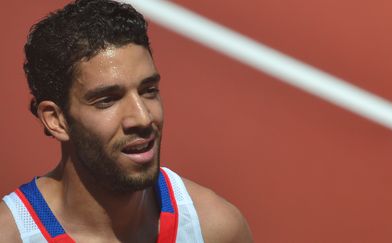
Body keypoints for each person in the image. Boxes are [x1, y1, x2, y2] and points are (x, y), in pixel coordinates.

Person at [0, 0, 253, 242]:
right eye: (107, 100)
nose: (143, 117)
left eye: (149, 90)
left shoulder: (214, 230)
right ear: (56, 120)